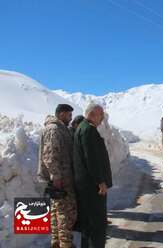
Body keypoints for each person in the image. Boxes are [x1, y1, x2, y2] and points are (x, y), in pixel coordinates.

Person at [73, 103, 112, 248]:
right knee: (97, 223)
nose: (102, 118)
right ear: (92, 114)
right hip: (92, 187)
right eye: (100, 115)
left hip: (86, 185)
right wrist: (100, 181)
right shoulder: (88, 130)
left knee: (88, 224)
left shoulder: (83, 128)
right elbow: (92, 159)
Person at [38, 104, 77, 248]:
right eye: (69, 115)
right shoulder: (54, 129)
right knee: (66, 213)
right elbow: (50, 156)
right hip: (61, 178)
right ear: (61, 114)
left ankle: (57, 243)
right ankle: (66, 244)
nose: (70, 118)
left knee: (57, 210)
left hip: (60, 177)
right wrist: (56, 177)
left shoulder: (59, 128)